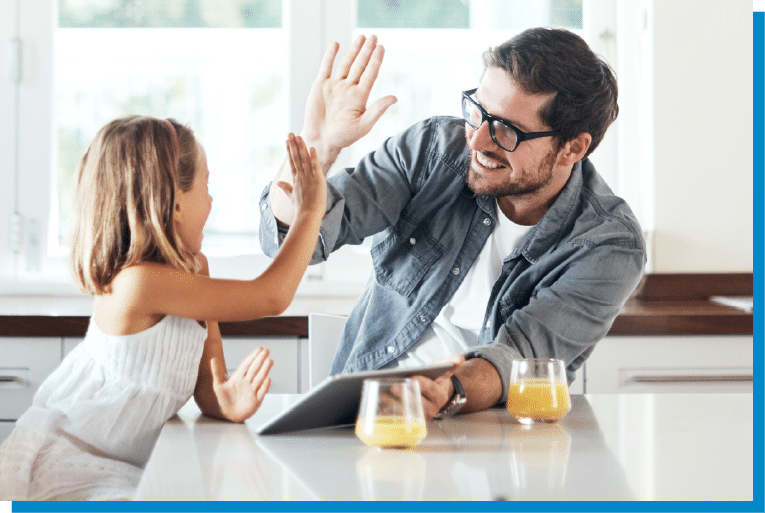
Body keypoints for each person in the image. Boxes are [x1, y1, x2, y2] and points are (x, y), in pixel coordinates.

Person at [260, 30, 646, 420]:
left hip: (490, 436)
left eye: (507, 130)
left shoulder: (607, 244)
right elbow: (294, 245)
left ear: (574, 148)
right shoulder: (433, 150)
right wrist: (318, 145)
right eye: (477, 112)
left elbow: (522, 357)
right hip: (368, 418)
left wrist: (447, 392)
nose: (478, 141)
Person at [0, 116, 326, 500]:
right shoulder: (138, 284)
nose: (211, 200)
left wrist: (227, 401)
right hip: (73, 458)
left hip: (127, 463)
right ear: (172, 202)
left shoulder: (194, 271)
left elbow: (209, 387)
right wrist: (309, 214)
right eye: (207, 185)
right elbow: (271, 296)